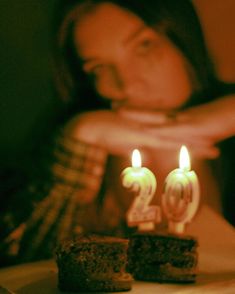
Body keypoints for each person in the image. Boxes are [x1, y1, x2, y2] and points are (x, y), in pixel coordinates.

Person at [1, 0, 235, 266]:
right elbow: (22, 264)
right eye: (98, 67)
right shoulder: (64, 149)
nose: (127, 84)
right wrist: (82, 134)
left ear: (184, 39)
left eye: (143, 46)